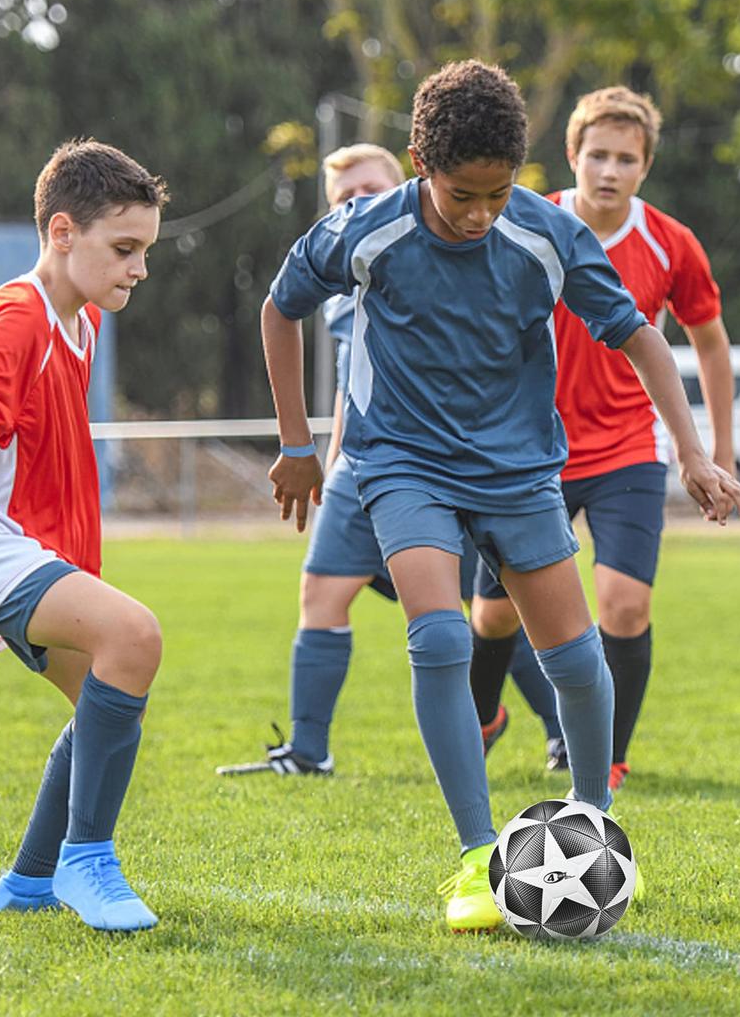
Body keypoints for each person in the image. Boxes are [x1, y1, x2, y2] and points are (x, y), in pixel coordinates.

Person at [259, 60, 740, 932]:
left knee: (574, 659)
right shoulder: (362, 231)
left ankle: (593, 826)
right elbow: (280, 306)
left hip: (522, 471)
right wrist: (297, 442)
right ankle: (474, 856)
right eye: (461, 195)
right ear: (420, 162)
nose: (481, 213)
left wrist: (693, 453)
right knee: (443, 634)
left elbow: (640, 337)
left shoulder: (548, 235)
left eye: (498, 193)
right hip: (402, 462)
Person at [217, 144, 563, 777]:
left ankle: (561, 729)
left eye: (367, 189)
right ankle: (307, 751)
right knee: (322, 590)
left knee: (479, 613)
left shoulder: (431, 253)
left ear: (408, 180)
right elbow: (333, 360)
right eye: (342, 199)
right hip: (359, 463)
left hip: (441, 463)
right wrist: (315, 453)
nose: (355, 204)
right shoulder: (342, 272)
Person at [0, 138, 168, 933]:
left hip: (25, 546)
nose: (139, 269)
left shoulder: (79, 321)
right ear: (62, 232)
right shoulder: (17, 317)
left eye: (145, 251)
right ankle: (85, 862)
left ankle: (26, 881)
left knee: (100, 697)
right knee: (136, 636)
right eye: (124, 249)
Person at [468, 86, 737, 793]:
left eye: (626, 158)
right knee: (493, 615)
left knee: (624, 604)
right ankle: (486, 716)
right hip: (526, 452)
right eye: (598, 156)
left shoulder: (670, 244)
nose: (609, 171)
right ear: (572, 155)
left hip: (627, 452)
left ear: (645, 167)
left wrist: (714, 452)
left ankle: (606, 760)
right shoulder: (522, 220)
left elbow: (709, 345)